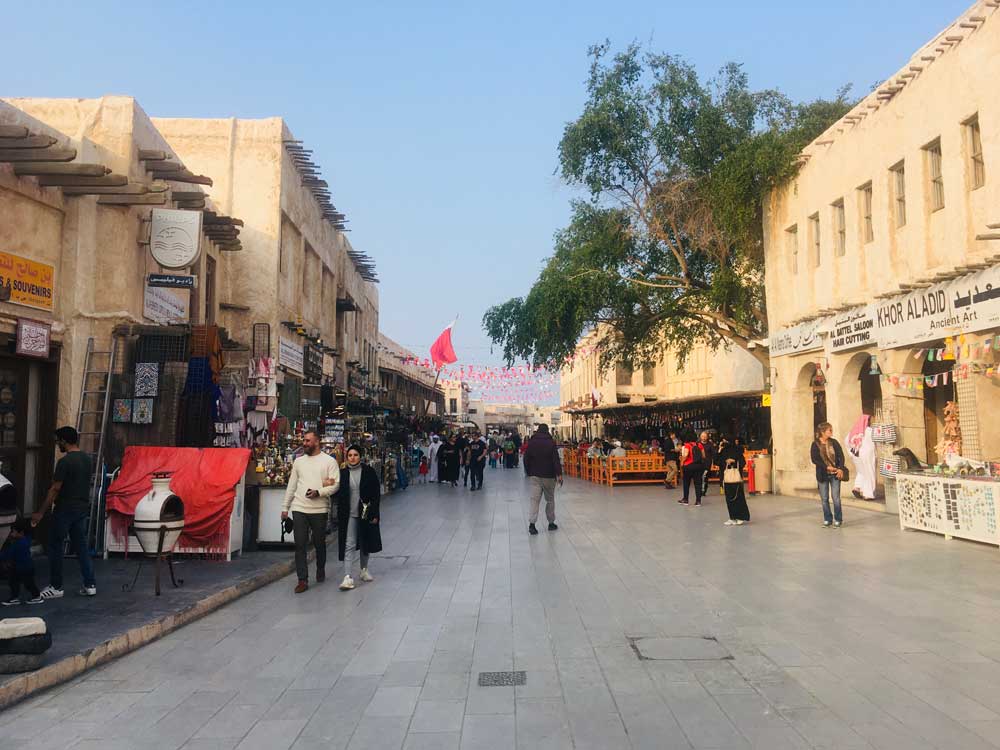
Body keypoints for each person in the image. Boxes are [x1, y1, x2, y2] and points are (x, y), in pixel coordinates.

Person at [34, 427, 97, 599]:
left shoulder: (64, 462)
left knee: (55, 546)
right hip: (81, 508)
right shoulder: (86, 459)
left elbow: (55, 488)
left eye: (58, 441)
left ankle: (56, 586)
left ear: (64, 441)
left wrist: (40, 512)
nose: (57, 444)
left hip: (64, 509)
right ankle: (90, 584)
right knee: (81, 547)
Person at [281, 430, 340, 594]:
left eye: (308, 441)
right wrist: (285, 507)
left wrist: (318, 492)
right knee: (300, 544)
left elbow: (335, 484)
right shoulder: (298, 462)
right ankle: (302, 579)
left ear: (317, 442)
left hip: (319, 509)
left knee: (319, 542)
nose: (304, 443)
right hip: (299, 508)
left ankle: (320, 568)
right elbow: (292, 486)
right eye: (304, 440)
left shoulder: (329, 462)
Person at [333, 446, 382, 590]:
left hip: (365, 513)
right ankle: (347, 577)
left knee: (365, 541)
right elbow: (337, 493)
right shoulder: (342, 473)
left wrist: (375, 514)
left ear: (360, 456)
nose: (352, 458)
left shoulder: (369, 472)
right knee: (349, 544)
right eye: (350, 455)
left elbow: (376, 495)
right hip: (348, 515)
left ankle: (364, 570)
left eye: (355, 455)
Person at [523, 424, 562, 535]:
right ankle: (551, 523)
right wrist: (559, 474)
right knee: (550, 500)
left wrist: (529, 471)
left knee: (534, 500)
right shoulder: (551, 443)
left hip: (535, 475)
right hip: (549, 476)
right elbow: (555, 459)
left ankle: (532, 524)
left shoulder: (532, 442)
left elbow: (526, 458)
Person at [811, 422, 846, 528]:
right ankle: (827, 519)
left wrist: (840, 468)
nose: (831, 432)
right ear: (823, 432)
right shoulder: (815, 444)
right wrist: (826, 467)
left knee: (836, 498)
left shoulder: (834, 442)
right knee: (824, 498)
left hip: (835, 474)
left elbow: (841, 456)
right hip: (822, 474)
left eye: (831, 430)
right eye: (829, 430)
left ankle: (838, 519)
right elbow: (814, 459)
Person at [1, 518, 42, 606]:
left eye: (13, 531)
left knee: (27, 583)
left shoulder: (18, 544)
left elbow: (8, 554)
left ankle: (36, 596)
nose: (11, 533)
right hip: (25, 567)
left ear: (21, 533)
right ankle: (15, 597)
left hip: (23, 568)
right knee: (15, 581)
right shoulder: (26, 539)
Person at [717, 436, 750, 526]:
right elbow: (717, 461)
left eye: (725, 441)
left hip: (734, 477)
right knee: (730, 498)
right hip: (728, 477)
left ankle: (739, 517)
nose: (723, 443)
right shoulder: (724, 451)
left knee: (737, 497)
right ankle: (732, 517)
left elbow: (742, 462)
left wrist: (733, 461)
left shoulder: (738, 450)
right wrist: (719, 450)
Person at [679, 430, 706, 506]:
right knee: (698, 484)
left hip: (689, 466)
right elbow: (703, 456)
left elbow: (686, 455)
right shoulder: (699, 445)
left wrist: (682, 462)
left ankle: (685, 499)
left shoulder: (687, 445)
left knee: (686, 483)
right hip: (698, 466)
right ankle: (698, 501)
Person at [699, 431, 717, 498]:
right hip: (699, 463)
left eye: (705, 436)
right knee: (699, 477)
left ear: (707, 437)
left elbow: (713, 454)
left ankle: (704, 490)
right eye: (702, 436)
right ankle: (700, 489)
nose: (703, 438)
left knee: (705, 477)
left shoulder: (710, 444)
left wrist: (713, 463)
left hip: (707, 463)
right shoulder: (698, 444)